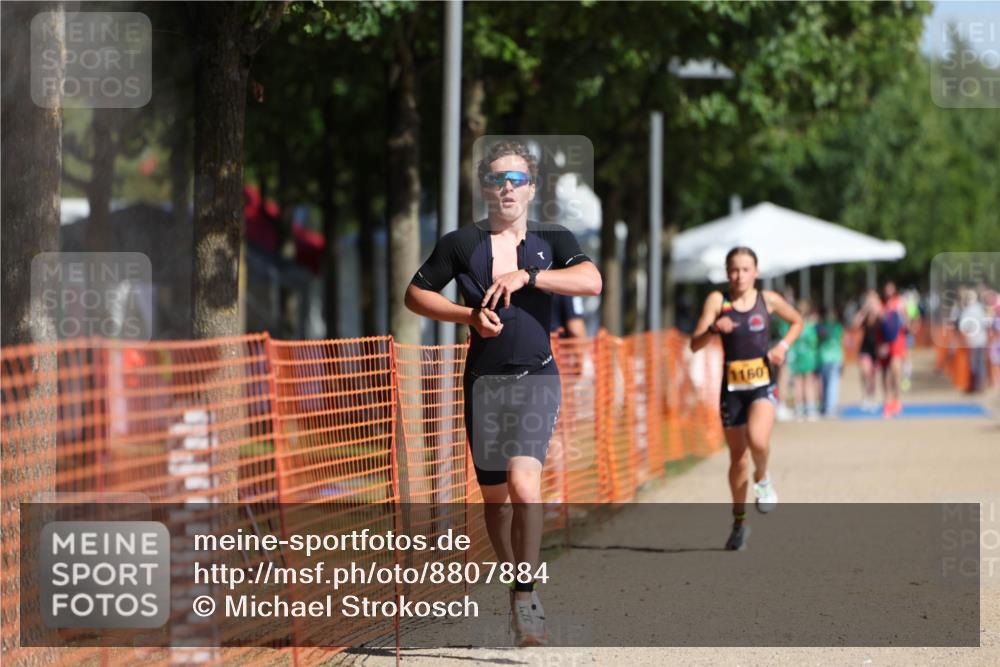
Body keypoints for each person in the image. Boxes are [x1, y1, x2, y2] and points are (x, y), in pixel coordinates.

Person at [404, 140, 602, 646]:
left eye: (516, 180)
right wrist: (468, 316)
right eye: (497, 179)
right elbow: (416, 293)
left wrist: (530, 275)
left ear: (532, 189)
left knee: (524, 485)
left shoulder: (553, 238)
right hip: (483, 383)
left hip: (537, 376)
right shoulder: (460, 243)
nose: (506, 188)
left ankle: (526, 593)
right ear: (485, 188)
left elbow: (592, 281)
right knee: (495, 500)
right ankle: (515, 582)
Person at [690, 247, 802, 551]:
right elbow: (694, 344)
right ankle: (739, 523)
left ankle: (763, 478)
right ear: (727, 273)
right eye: (734, 270)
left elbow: (797, 321)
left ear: (756, 271)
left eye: (745, 269)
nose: (739, 276)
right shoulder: (718, 301)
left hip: (762, 384)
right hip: (732, 390)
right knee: (737, 460)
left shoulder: (769, 300)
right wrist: (714, 328)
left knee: (758, 440)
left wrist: (783, 347)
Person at [879, 280, 908, 417]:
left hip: (897, 339)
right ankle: (887, 400)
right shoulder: (881, 304)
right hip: (884, 341)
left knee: (896, 368)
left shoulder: (899, 302)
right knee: (885, 372)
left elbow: (907, 320)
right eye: (886, 289)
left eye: (891, 289)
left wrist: (905, 318)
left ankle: (897, 400)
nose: (888, 292)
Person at [852, 290, 881, 412]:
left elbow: (885, 320)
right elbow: (855, 323)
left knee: (872, 376)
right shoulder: (864, 315)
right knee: (865, 373)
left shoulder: (879, 314)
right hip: (865, 349)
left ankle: (872, 398)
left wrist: (876, 309)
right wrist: (865, 310)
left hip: (877, 349)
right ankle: (865, 397)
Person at [790, 299, 820, 421]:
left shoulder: (795, 326)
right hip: (808, 358)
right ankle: (810, 409)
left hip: (797, 357)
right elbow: (814, 342)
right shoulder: (809, 327)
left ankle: (799, 409)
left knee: (798, 384)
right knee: (808, 384)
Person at [816, 306, 845, 417]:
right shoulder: (837, 327)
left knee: (825, 384)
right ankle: (830, 407)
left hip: (825, 358)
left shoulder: (821, 326)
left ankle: (826, 406)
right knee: (831, 384)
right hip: (832, 358)